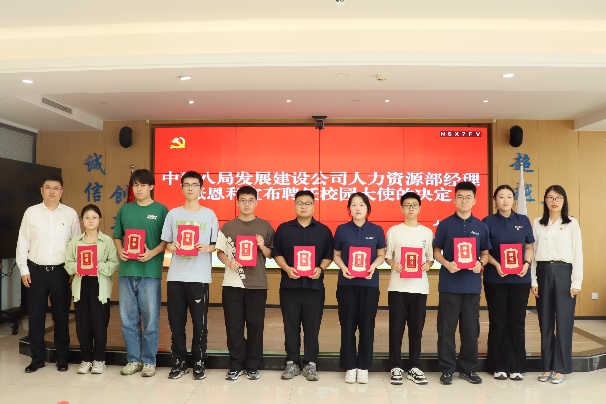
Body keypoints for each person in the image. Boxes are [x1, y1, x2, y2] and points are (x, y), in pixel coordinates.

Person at [16, 175, 80, 373]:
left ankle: (62, 357)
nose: (52, 191)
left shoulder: (70, 214)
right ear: (41, 190)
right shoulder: (31, 212)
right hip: (36, 271)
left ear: (62, 191)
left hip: (61, 272)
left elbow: (77, 243)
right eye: (48, 187)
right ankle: (37, 359)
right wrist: (23, 269)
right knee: (36, 316)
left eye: (56, 188)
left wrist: (73, 269)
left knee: (61, 316)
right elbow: (23, 241)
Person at [161, 171, 218, 380]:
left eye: (194, 185)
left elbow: (215, 245)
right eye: (187, 184)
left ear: (201, 188)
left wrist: (206, 248)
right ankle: (179, 361)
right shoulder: (173, 214)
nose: (191, 188)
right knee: (176, 323)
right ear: (182, 188)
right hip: (176, 276)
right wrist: (172, 246)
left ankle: (199, 361)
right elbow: (166, 242)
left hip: (199, 277)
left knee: (199, 324)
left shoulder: (209, 215)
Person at [433, 181, 491, 385]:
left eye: (468, 197)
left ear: (474, 200)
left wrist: (480, 264)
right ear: (454, 199)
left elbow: (485, 254)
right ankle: (447, 369)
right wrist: (447, 264)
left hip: (471, 286)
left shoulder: (481, 226)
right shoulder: (445, 225)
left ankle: (468, 369)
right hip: (449, 285)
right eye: (460, 197)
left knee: (470, 330)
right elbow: (436, 251)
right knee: (446, 330)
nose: (464, 201)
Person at [272, 190, 333, 382]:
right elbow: (277, 253)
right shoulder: (284, 229)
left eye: (307, 203)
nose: (304, 206)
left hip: (314, 287)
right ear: (294, 205)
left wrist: (320, 269)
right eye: (300, 203)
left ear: (314, 206)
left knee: (312, 327)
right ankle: (291, 362)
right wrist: (287, 268)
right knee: (290, 326)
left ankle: (310, 363)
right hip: (289, 286)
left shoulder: (323, 231)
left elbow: (329, 255)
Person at [215, 186, 274, 381]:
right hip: (233, 283)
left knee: (256, 326)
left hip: (257, 284)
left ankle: (253, 365)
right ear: (237, 202)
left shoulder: (265, 226)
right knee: (234, 325)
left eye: (250, 200)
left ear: (256, 203)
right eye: (243, 200)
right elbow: (220, 252)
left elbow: (271, 254)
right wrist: (228, 262)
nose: (246, 204)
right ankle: (235, 364)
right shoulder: (228, 226)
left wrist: (262, 246)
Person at [114, 169, 168, 377]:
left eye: (143, 185)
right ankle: (133, 360)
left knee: (151, 320)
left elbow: (167, 241)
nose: (138, 189)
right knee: (128, 319)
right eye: (135, 185)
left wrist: (152, 253)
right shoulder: (125, 209)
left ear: (151, 186)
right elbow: (117, 236)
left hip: (150, 272)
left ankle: (149, 361)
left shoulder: (161, 210)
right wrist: (120, 250)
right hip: (127, 271)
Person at [482, 185, 534, 381]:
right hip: (496, 278)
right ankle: (498, 365)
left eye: (509, 197)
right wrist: (496, 264)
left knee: (517, 321)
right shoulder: (487, 222)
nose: (505, 200)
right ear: (495, 200)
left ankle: (517, 365)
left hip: (520, 279)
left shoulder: (523, 220)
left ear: (514, 200)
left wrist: (526, 264)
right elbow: (484, 251)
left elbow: (529, 247)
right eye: (501, 197)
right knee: (498, 321)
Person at [531, 185, 583, 384]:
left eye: (558, 197)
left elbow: (578, 253)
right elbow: (532, 253)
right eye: (550, 197)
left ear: (564, 201)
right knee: (545, 321)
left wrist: (576, 281)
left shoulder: (571, 223)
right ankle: (547, 367)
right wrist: (533, 280)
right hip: (543, 272)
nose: (554, 201)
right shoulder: (537, 223)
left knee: (563, 321)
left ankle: (561, 368)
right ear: (545, 200)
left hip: (564, 273)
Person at [333, 192, 386, 384]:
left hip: (369, 285)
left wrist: (373, 266)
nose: (357, 208)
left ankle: (363, 366)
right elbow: (336, 255)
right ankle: (349, 366)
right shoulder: (342, 230)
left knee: (367, 325)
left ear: (367, 209)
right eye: (354, 205)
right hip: (346, 284)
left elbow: (381, 255)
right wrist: (343, 267)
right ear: (349, 209)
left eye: (361, 205)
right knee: (347, 326)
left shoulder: (377, 230)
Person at [385, 192, 434, 385]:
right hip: (397, 287)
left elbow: (430, 258)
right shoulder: (394, 231)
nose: (411, 208)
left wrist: (428, 265)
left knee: (416, 329)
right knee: (396, 329)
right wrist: (393, 264)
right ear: (402, 208)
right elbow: (388, 256)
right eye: (407, 205)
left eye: (414, 205)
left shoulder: (427, 232)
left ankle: (414, 366)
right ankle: (395, 366)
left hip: (419, 287)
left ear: (420, 208)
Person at [64, 204, 119, 375]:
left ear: (99, 219)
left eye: (94, 217)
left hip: (99, 285)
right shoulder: (75, 241)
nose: (90, 220)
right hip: (81, 285)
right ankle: (86, 359)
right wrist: (78, 267)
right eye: (87, 217)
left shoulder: (107, 241)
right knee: (82, 324)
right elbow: (68, 263)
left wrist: (98, 266)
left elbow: (114, 263)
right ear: (82, 220)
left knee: (99, 324)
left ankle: (99, 359)